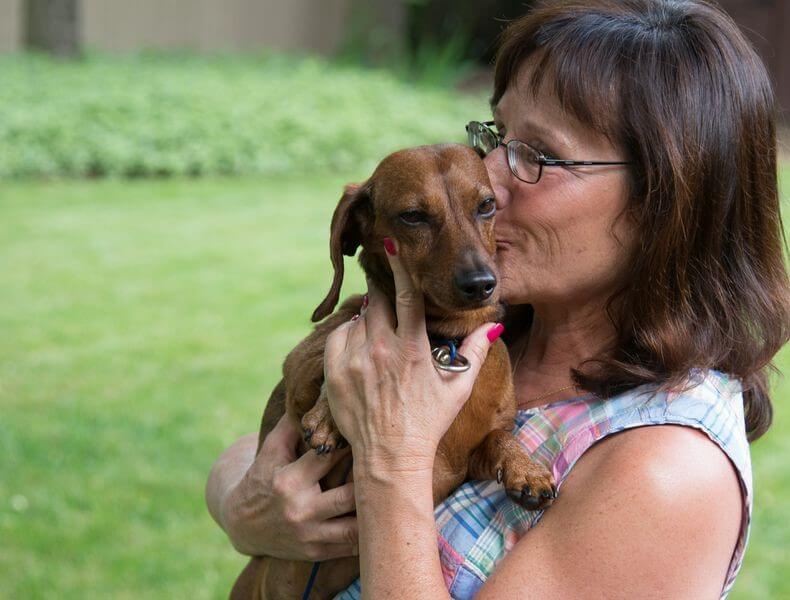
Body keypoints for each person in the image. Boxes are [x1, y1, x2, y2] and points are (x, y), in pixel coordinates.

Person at [206, 1, 789, 597]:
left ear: (666, 204)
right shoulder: (483, 321)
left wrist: (392, 464)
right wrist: (245, 510)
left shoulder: (665, 472)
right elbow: (256, 451)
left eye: (540, 155)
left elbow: (386, 456)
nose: (487, 178)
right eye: (497, 135)